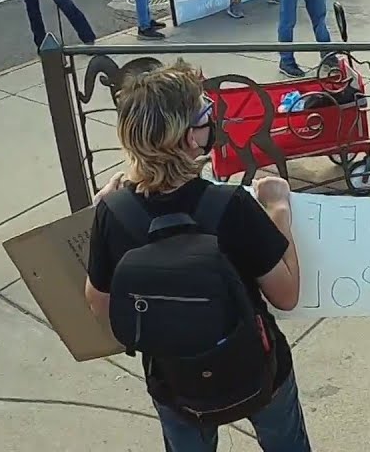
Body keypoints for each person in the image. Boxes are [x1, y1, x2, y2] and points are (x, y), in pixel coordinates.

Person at [82, 62, 309, 451]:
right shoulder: (232, 205)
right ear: (188, 139)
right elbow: (286, 293)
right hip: (255, 367)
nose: (212, 121)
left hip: (174, 379)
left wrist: (106, 212)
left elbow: (99, 303)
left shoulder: (115, 213)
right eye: (206, 116)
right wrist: (279, 213)